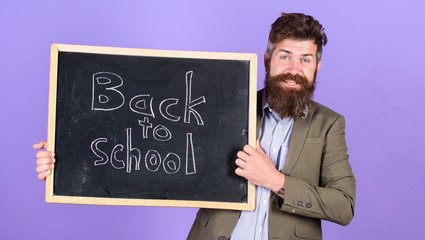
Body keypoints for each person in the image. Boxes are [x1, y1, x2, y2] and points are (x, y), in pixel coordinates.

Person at [35, 12, 356, 240]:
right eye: (285, 56)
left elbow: (344, 206)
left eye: (305, 59)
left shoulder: (329, 126)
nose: (294, 69)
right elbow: (150, 145)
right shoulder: (223, 104)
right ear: (268, 59)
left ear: (317, 67)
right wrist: (67, 156)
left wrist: (275, 180)